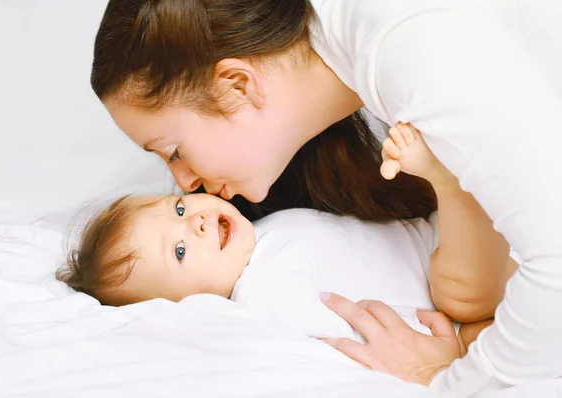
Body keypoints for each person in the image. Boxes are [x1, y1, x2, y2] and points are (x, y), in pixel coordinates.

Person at [89, 0, 562, 395]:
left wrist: (449, 379)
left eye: (173, 151)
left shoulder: (414, 47)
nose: (185, 182)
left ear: (237, 85)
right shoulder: (362, 48)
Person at [58, 125, 515, 365]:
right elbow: (350, 338)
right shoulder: (265, 295)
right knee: (459, 286)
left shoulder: (265, 227)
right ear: (189, 306)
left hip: (447, 240)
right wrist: (449, 352)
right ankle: (447, 180)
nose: (194, 222)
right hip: (456, 308)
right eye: (178, 252)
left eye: (177, 210)